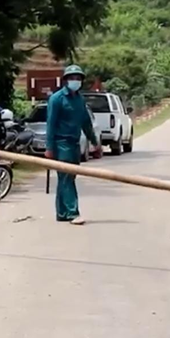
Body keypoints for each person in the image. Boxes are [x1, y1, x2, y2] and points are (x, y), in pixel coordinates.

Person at [45, 65, 101, 225]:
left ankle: (62, 212)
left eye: (78, 78)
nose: (75, 81)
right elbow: (51, 124)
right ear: (65, 80)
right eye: (72, 78)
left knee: (67, 178)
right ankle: (72, 212)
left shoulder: (79, 100)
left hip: (75, 143)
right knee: (67, 177)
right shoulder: (56, 99)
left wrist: (95, 142)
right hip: (61, 143)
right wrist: (49, 147)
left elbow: (86, 122)